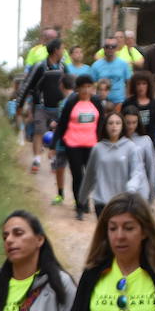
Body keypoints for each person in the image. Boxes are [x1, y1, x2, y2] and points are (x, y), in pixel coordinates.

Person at [53, 74, 104, 222]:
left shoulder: (96, 101)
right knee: (78, 176)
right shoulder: (71, 102)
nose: (86, 90)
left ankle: (87, 201)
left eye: (89, 87)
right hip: (73, 144)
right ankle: (80, 206)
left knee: (91, 175)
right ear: (78, 88)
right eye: (83, 87)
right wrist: (54, 145)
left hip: (92, 145)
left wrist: (102, 140)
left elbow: (102, 120)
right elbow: (62, 123)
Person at [78, 112, 147, 217]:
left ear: (122, 126)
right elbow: (90, 175)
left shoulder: (131, 147)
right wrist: (82, 198)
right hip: (101, 201)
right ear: (105, 126)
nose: (114, 126)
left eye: (117, 123)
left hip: (122, 202)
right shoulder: (98, 148)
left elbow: (137, 172)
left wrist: (131, 189)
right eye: (110, 123)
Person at [19, 40, 69, 175]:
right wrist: (21, 103)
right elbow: (28, 84)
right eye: (62, 48)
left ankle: (53, 160)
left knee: (56, 134)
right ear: (56, 50)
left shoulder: (64, 67)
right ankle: (36, 160)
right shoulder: (39, 66)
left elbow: (70, 85)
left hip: (59, 108)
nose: (63, 51)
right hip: (41, 106)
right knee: (39, 132)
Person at [121, 109, 155, 203]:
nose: (131, 126)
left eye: (134, 122)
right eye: (128, 122)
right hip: (121, 188)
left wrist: (152, 193)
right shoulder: (117, 141)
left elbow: (151, 167)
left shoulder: (145, 140)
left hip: (141, 188)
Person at [51, 74, 76, 205]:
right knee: (74, 170)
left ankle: (61, 194)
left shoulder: (66, 102)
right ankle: (75, 198)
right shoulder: (75, 100)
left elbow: (62, 122)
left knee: (61, 168)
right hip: (74, 141)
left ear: (61, 85)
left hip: (65, 141)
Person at [125, 72, 155, 152]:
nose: (141, 87)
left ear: (149, 85)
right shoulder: (128, 103)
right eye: (138, 84)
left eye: (144, 84)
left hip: (151, 140)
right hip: (132, 140)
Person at [91, 38, 133, 110]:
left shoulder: (123, 64)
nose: (110, 49)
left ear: (116, 48)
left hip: (120, 102)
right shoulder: (96, 65)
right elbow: (91, 84)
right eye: (107, 46)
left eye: (113, 46)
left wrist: (127, 98)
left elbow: (129, 82)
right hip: (101, 104)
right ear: (103, 48)